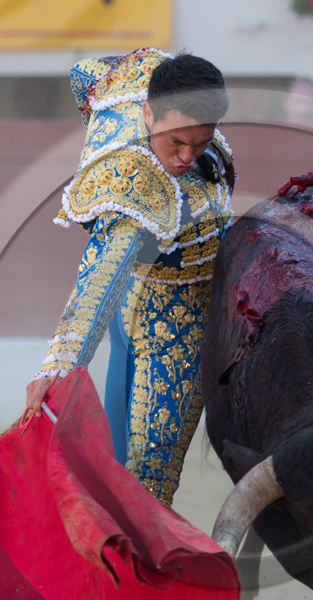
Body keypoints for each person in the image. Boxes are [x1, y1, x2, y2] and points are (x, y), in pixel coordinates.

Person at [24, 50, 235, 506]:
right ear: (147, 112)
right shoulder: (133, 184)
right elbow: (99, 279)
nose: (185, 156)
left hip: (148, 304)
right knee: (148, 476)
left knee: (123, 469)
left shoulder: (139, 88)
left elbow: (86, 70)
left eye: (200, 144)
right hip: (170, 323)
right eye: (175, 141)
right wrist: (59, 366)